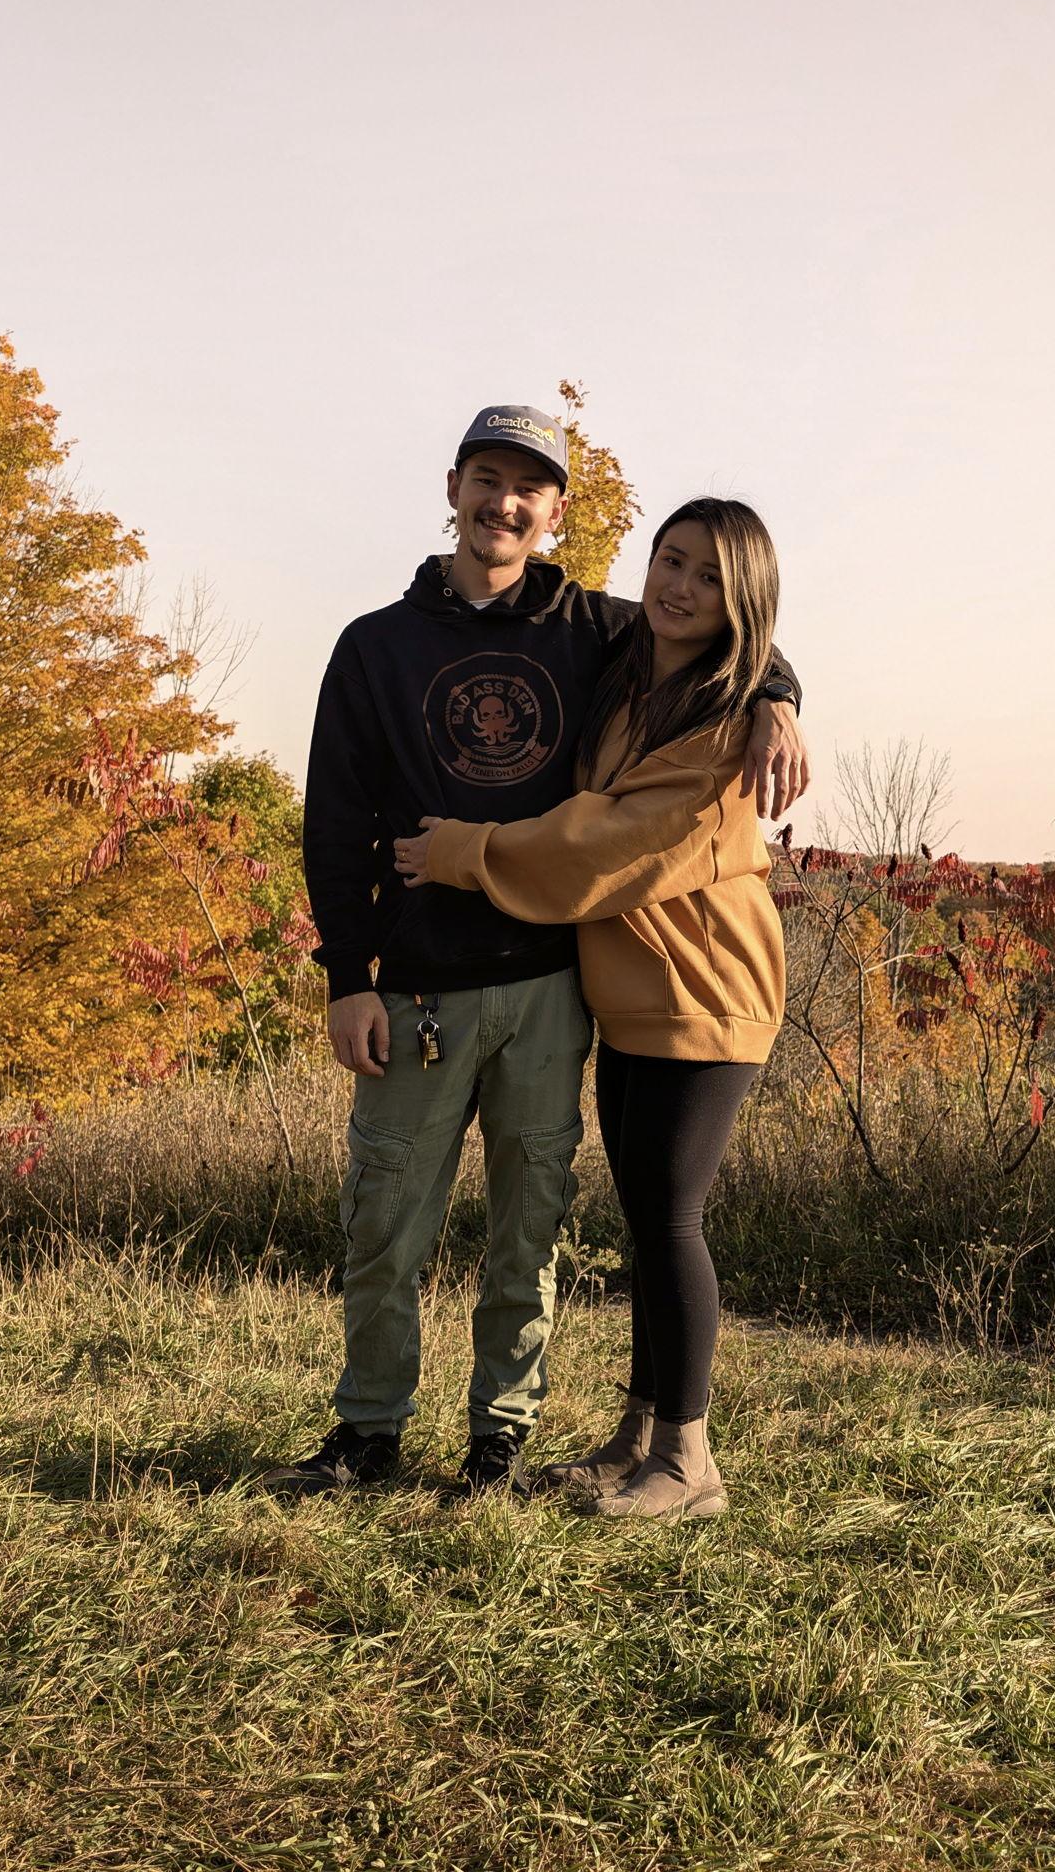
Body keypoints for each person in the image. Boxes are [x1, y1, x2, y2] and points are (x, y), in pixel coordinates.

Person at [268, 408, 807, 1500]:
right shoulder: (375, 644)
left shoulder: (589, 626)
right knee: (385, 1223)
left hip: (556, 986)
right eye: (486, 478)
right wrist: (346, 978)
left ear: (556, 513)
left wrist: (781, 700)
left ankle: (497, 1440)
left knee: (533, 1233)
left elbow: (731, 628)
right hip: (417, 985)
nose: (503, 502)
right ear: (453, 486)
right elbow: (334, 822)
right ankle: (367, 1437)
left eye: (528, 488)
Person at [393, 498, 786, 1519]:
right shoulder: (627, 669)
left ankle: (688, 1462)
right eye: (669, 559)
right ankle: (639, 1436)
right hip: (630, 993)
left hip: (704, 989)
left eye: (705, 574)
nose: (678, 585)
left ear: (740, 597)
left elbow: (602, 844)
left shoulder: (724, 719)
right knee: (650, 1218)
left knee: (670, 1217)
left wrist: (464, 853)